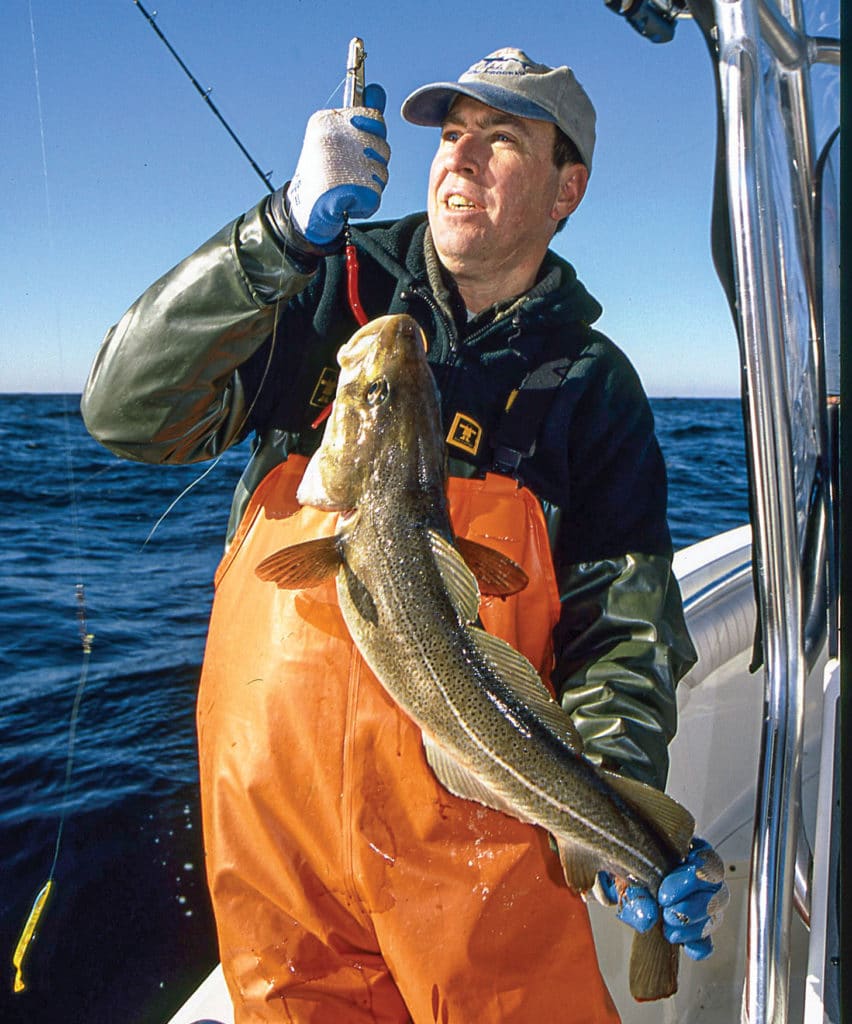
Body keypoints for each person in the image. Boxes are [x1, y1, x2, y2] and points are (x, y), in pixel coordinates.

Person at [82, 47, 727, 1023]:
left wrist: (621, 809)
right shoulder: (324, 284)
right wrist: (276, 236)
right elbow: (126, 411)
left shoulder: (594, 388)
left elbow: (624, 633)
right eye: (451, 135)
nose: (459, 159)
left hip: (481, 848)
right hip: (279, 847)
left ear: (569, 188)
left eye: (501, 140)